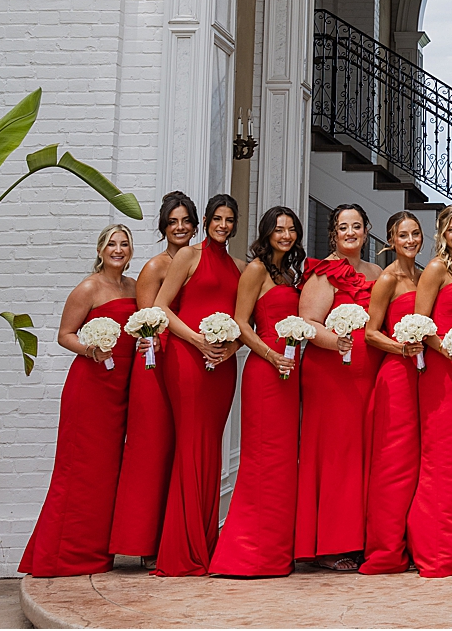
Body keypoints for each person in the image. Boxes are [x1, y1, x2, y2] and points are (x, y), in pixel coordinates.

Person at [21, 224, 138, 577]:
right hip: (91, 388)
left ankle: (96, 553)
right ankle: (60, 555)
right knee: (80, 470)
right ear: (100, 250)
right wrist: (91, 350)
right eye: (112, 244)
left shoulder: (134, 288)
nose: (118, 249)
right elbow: (63, 335)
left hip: (122, 388)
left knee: (107, 472)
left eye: (125, 244)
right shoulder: (89, 287)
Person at [151, 194, 244, 577]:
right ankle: (181, 550)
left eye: (229, 219)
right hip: (188, 360)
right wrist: (198, 341)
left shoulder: (240, 267)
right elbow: (161, 307)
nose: (223, 225)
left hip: (222, 366)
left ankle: (204, 544)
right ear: (205, 220)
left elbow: (245, 322)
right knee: (191, 446)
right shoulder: (188, 256)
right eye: (217, 218)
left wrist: (230, 347)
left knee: (210, 450)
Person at [210, 206, 305, 578]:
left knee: (283, 464)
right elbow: (240, 320)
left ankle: (275, 553)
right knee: (261, 460)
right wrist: (270, 354)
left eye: (291, 229)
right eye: (279, 229)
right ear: (266, 232)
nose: (286, 235)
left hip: (289, 373)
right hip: (265, 372)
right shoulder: (256, 270)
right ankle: (247, 554)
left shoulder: (290, 273)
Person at [294, 202, 383, 572]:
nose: (351, 233)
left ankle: (358, 537)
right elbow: (307, 323)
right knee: (335, 456)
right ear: (333, 232)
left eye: (357, 226)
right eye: (343, 227)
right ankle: (329, 544)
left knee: (362, 456)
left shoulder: (377, 272)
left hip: (368, 375)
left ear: (366, 231)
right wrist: (337, 342)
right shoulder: (323, 273)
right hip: (331, 376)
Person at [108, 192, 193, 560]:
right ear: (163, 227)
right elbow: (146, 320)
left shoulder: (198, 262)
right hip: (154, 364)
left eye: (186, 221)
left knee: (180, 448)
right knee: (152, 449)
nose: (180, 227)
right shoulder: (155, 266)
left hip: (188, 362)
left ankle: (173, 536)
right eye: (173, 222)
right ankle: (143, 543)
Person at [408, 205, 452, 578]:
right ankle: (435, 548)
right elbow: (421, 324)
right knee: (442, 455)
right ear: (442, 232)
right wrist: (449, 350)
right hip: (441, 367)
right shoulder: (436, 269)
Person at [361, 211, 426, 575]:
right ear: (391, 239)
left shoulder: (424, 274)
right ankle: (386, 549)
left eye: (415, 234)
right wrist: (401, 349)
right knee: (394, 464)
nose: (410, 240)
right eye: (403, 235)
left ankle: (413, 543)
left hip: (422, 375)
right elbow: (371, 332)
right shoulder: (387, 278)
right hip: (397, 376)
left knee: (416, 462)